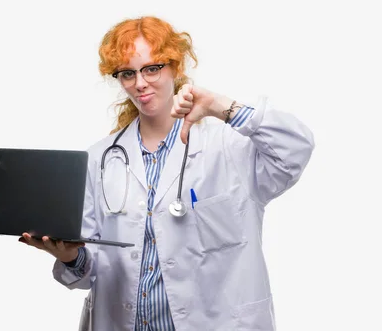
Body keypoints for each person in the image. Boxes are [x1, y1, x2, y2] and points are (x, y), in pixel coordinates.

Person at [19, 16, 314, 331]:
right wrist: (69, 257)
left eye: (152, 68)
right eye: (127, 73)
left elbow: (294, 148)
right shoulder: (101, 158)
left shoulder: (229, 146)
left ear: (176, 66)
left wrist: (220, 106)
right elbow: (91, 272)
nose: (140, 83)